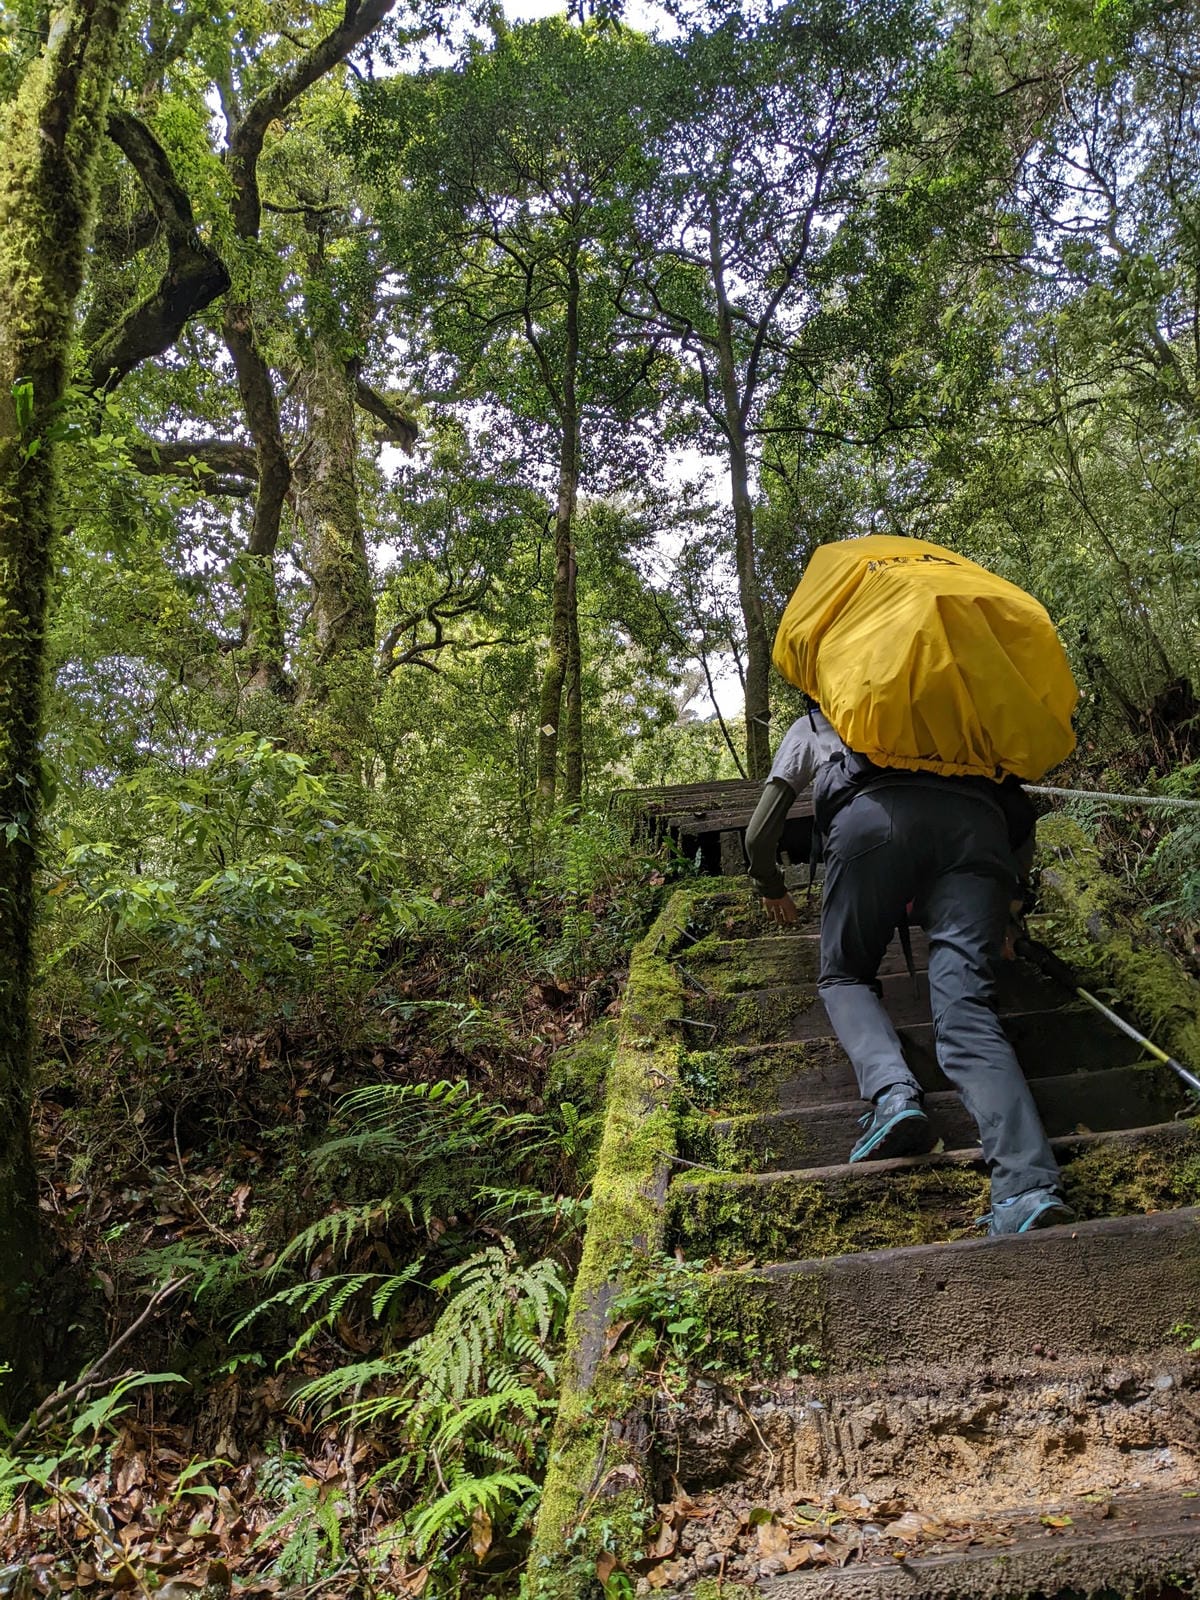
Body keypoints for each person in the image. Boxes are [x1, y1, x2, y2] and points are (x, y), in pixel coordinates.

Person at [744, 705, 1074, 1237]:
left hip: (872, 821)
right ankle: (1027, 1187)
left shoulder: (823, 718)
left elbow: (761, 833)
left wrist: (769, 883)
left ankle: (894, 1095)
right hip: (978, 831)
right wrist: (1009, 911)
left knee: (844, 975)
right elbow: (1018, 817)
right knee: (968, 1011)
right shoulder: (962, 710)